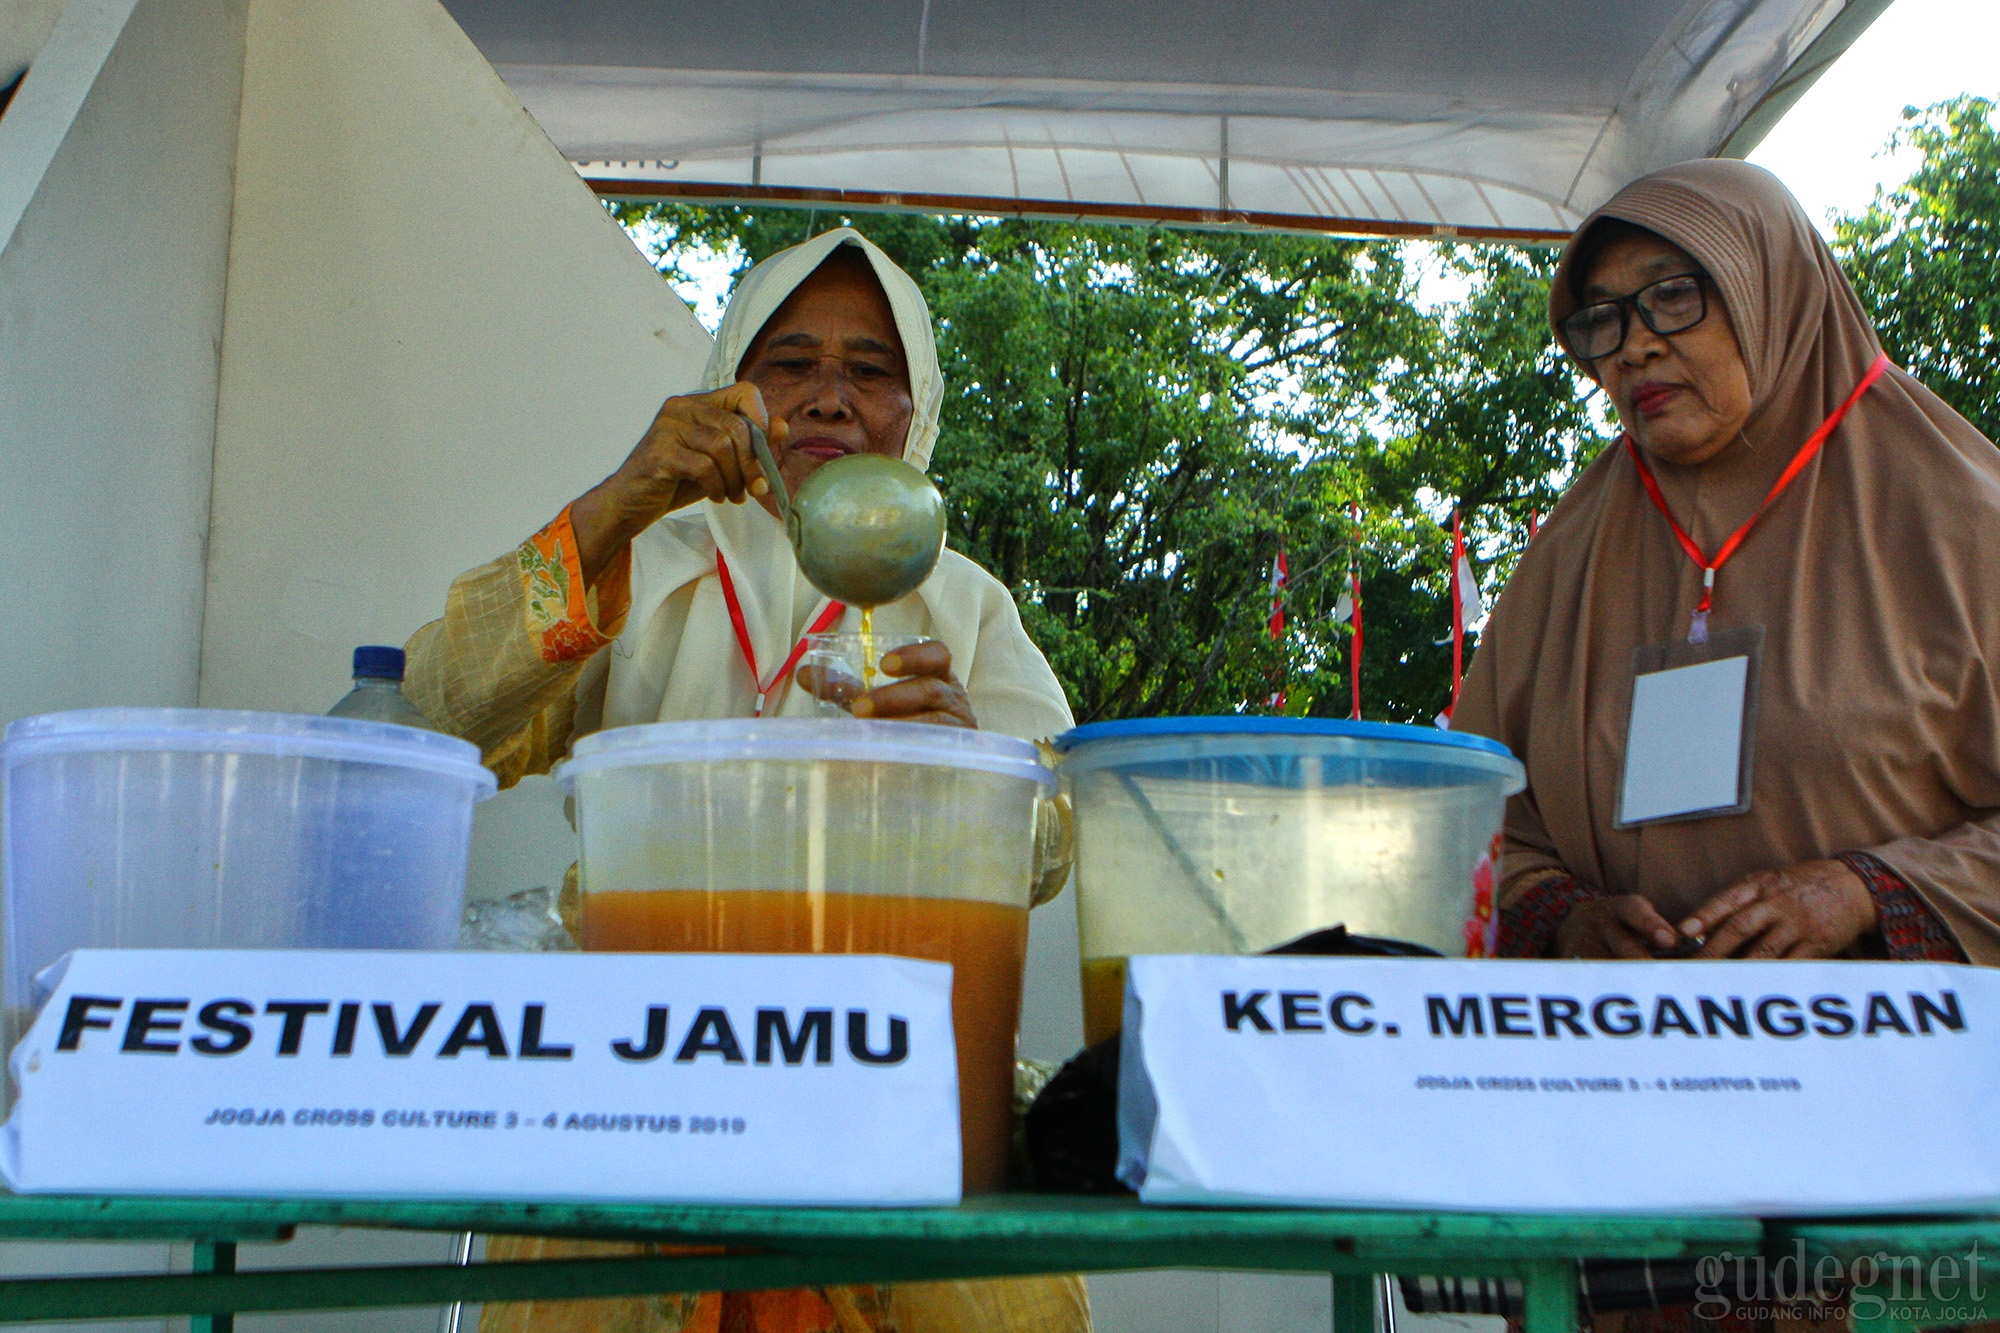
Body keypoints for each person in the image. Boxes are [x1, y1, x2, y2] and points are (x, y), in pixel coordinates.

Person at [403, 227, 1086, 1333]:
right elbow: (435, 723)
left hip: (897, 1085)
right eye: (789, 364)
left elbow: (1057, 840)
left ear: (917, 413)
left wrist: (971, 770)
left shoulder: (962, 601)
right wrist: (619, 500)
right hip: (633, 1083)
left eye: (870, 370)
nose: (827, 398)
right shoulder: (635, 557)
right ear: (732, 385)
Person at [1455, 159, 2000, 967]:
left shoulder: (1958, 515)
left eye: (1672, 296)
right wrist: (1565, 917)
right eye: (1599, 319)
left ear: (1770, 289)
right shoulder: (1571, 551)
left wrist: (1869, 893)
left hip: (1909, 1072)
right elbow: (1471, 820)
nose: (1634, 347)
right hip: (1626, 1062)